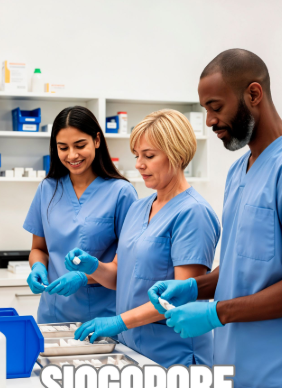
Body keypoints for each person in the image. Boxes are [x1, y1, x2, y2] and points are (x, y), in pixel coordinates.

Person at [149, 49, 282, 388]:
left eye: (215, 107)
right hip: (231, 376)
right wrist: (194, 288)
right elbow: (244, 267)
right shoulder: (237, 173)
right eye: (204, 110)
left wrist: (218, 313)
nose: (210, 121)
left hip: (280, 382)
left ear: (253, 94)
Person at [65, 109, 221, 368]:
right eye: (137, 155)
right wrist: (93, 266)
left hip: (175, 355)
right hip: (133, 349)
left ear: (176, 154)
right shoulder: (139, 208)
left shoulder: (193, 213)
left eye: (149, 156)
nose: (139, 164)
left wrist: (119, 321)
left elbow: (180, 296)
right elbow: (118, 276)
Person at [23, 106, 137, 323]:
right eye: (63, 147)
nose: (72, 155)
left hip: (102, 318)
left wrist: (83, 277)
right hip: (52, 315)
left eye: (80, 145)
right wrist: (37, 266)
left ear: (96, 140)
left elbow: (127, 264)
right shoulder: (47, 189)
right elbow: (39, 249)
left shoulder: (121, 193)